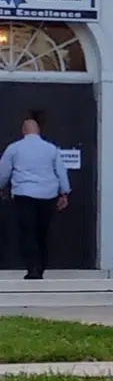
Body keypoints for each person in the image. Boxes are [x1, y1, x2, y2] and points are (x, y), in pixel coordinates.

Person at [0, 113, 70, 279]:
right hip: (48, 195)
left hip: (24, 194)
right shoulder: (51, 149)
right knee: (42, 232)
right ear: (38, 131)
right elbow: (61, 172)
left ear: (23, 130)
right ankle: (42, 266)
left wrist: (1, 187)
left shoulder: (14, 148)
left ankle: (32, 268)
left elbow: (3, 172)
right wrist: (64, 193)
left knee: (27, 232)